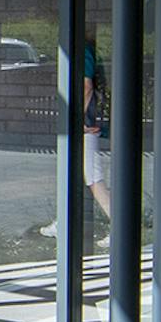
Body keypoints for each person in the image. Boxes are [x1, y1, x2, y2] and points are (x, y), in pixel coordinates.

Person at [39, 35, 111, 246]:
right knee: (74, 172)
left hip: (84, 126)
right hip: (85, 123)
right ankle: (63, 221)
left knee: (93, 177)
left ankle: (120, 225)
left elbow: (86, 85)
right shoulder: (86, 49)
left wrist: (77, 118)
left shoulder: (83, 50)